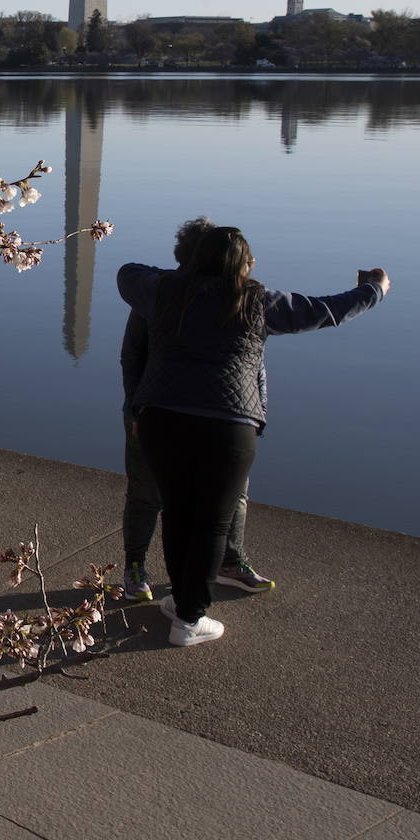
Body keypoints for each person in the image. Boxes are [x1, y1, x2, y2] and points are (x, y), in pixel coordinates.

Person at [117, 228, 389, 647]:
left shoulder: (164, 292)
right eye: (249, 261)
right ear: (239, 265)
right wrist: (375, 288)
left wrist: (186, 274)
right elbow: (327, 310)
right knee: (213, 521)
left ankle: (180, 603)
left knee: (176, 512)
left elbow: (126, 272)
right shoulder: (258, 301)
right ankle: (189, 619)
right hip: (226, 426)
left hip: (161, 420)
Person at [121, 217, 273, 602]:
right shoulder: (159, 295)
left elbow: (254, 365)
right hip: (156, 411)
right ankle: (135, 566)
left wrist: (259, 415)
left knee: (233, 495)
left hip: (226, 415)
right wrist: (138, 411)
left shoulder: (241, 297)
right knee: (147, 493)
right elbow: (132, 357)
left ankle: (229, 561)